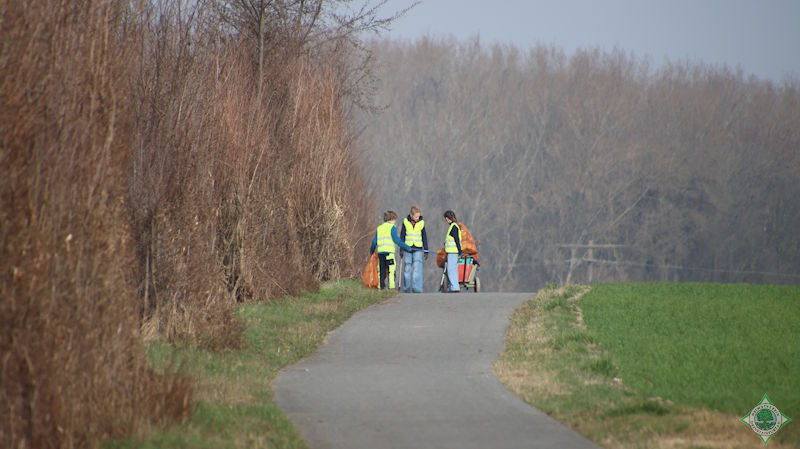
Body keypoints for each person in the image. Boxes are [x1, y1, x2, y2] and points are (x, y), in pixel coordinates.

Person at [370, 210, 412, 290]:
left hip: (381, 253)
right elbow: (397, 240)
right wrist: (407, 247)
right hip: (389, 254)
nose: (395, 222)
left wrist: (371, 251)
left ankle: (380, 287)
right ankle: (391, 287)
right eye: (395, 220)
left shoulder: (379, 228)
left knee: (381, 271)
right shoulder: (392, 228)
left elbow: (374, 242)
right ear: (392, 219)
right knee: (391, 270)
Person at [399, 206, 429, 293]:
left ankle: (417, 288)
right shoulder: (405, 222)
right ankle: (406, 288)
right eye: (416, 216)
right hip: (407, 248)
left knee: (417, 269)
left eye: (418, 216)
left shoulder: (421, 223)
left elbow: (424, 237)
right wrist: (401, 249)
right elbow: (402, 236)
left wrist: (426, 249)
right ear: (411, 215)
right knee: (407, 269)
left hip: (418, 249)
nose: (417, 218)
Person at [443, 210, 462, 292]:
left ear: (447, 218)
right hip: (453, 252)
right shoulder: (454, 226)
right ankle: (455, 286)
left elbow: (457, 240)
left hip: (452, 252)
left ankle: (454, 287)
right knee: (454, 269)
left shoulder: (453, 227)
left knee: (451, 270)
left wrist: (460, 250)